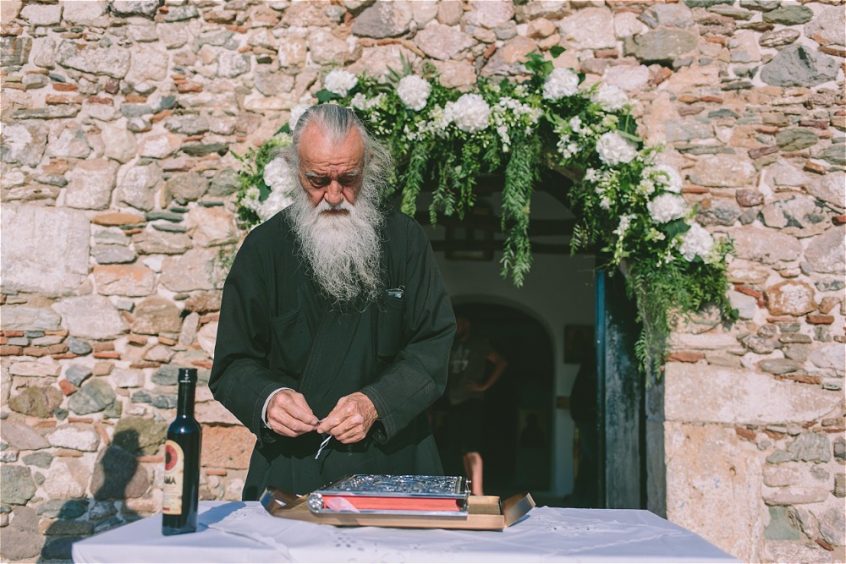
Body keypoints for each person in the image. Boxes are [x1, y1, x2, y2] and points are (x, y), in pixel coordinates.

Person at [210, 104, 456, 500]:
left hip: (395, 465)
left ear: (368, 167)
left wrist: (376, 402)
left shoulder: (405, 241)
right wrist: (268, 400)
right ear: (295, 170)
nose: (335, 195)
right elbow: (232, 363)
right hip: (293, 469)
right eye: (318, 180)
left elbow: (433, 345)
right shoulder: (264, 249)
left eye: (348, 178)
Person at [446, 316, 508, 495]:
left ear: (467, 324)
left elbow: (502, 362)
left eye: (459, 322)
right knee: (462, 449)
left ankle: (478, 494)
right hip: (454, 399)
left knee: (472, 447)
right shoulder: (452, 344)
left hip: (472, 399)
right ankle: (472, 491)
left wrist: (484, 386)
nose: (456, 326)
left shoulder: (479, 344)